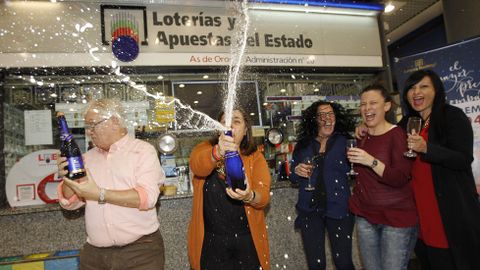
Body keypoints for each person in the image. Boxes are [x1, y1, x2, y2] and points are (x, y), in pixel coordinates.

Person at [56, 98, 165, 270]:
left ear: (114, 122)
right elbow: (71, 203)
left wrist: (99, 194)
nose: (89, 132)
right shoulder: (87, 158)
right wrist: (67, 179)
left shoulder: (142, 151)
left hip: (140, 252)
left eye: (93, 125)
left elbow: (146, 198)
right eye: (87, 127)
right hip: (95, 255)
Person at [402, 69, 480, 270]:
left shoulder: (452, 116)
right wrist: (366, 129)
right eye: (412, 88)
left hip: (448, 211)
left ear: (436, 90)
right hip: (419, 214)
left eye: (423, 86)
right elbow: (386, 136)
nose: (416, 92)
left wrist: (427, 148)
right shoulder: (407, 123)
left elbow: (463, 159)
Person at [187, 108, 271, 270]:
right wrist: (217, 152)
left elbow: (264, 197)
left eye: (237, 121)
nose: (230, 125)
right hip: (211, 241)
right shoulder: (204, 149)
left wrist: (249, 196)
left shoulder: (255, 157)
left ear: (246, 129)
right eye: (225, 122)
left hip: (247, 240)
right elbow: (198, 166)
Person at [347, 85, 417, 270]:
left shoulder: (398, 135)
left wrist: (371, 161)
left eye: (373, 103)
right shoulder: (362, 137)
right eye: (363, 104)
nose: (367, 108)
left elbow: (400, 178)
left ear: (386, 106)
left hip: (396, 219)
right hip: (365, 217)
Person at [290, 101, 356, 270]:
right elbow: (292, 175)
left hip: (339, 209)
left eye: (331, 114)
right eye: (322, 115)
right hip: (310, 212)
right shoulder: (303, 145)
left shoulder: (346, 141)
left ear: (336, 117)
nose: (327, 118)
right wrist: (296, 170)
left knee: (344, 262)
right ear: (314, 120)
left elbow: (356, 168)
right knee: (315, 264)